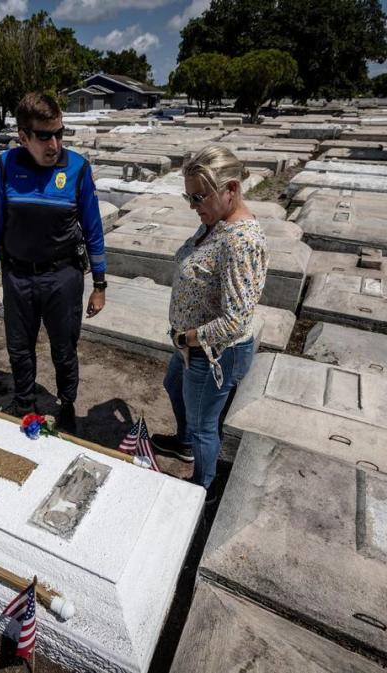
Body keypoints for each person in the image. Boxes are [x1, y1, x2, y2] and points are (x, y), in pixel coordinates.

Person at [0, 92, 107, 432]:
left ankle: (66, 404)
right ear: (23, 137)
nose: (54, 144)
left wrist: (100, 284)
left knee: (64, 349)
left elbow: (94, 229)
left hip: (62, 278)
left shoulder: (78, 168)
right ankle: (24, 404)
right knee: (19, 350)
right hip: (18, 277)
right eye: (43, 136)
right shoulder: (7, 165)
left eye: (59, 133)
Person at [152, 147, 268, 493]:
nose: (193, 206)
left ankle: (202, 487)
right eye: (189, 197)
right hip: (190, 345)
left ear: (230, 189)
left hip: (211, 351)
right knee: (173, 387)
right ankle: (185, 444)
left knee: (205, 425)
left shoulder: (241, 241)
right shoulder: (216, 224)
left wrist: (186, 338)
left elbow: (235, 319)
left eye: (199, 197)